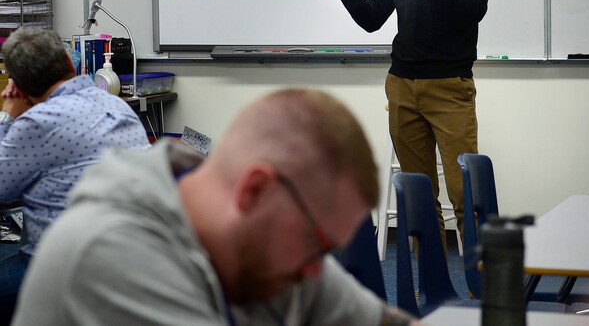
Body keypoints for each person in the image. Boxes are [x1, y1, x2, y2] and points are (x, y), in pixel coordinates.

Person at [13, 89, 422, 325]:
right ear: (254, 190)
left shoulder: (275, 253)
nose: (316, 270)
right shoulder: (108, 253)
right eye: (315, 243)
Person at [311, 0, 489, 248]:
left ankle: (482, 294)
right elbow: (373, 19)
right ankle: (431, 292)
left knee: (466, 195)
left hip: (449, 86)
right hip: (402, 87)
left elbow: (475, 6)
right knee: (419, 198)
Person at [0, 28, 150, 324]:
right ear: (71, 63)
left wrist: (9, 116)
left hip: (67, 267)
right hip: (138, 257)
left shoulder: (36, 121)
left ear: (19, 86)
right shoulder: (116, 104)